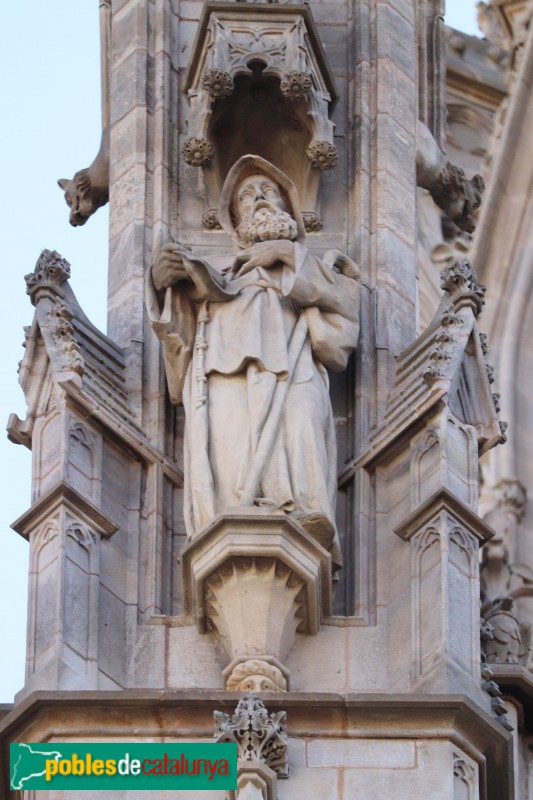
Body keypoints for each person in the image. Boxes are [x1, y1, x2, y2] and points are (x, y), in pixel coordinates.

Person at [146, 155, 360, 572]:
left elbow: (342, 335)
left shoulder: (311, 267)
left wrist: (286, 256)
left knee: (301, 430)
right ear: (233, 216)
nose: (259, 199)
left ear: (287, 208)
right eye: (247, 195)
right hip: (223, 368)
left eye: (269, 192)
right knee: (231, 450)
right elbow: (177, 336)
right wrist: (163, 284)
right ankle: (228, 526)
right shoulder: (219, 271)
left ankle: (304, 517)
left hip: (295, 366)